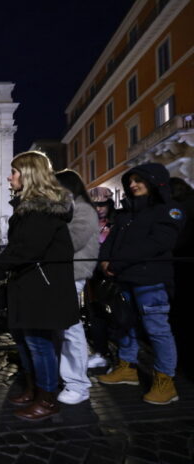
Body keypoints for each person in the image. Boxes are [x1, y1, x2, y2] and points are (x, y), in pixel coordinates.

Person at [0, 151, 79, 421]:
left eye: (14, 172)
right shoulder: (30, 209)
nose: (9, 177)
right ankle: (33, 390)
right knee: (28, 342)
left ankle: (48, 399)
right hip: (31, 285)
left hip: (42, 287)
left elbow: (26, 250)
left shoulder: (40, 211)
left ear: (28, 175)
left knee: (39, 344)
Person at [97, 163, 184, 405]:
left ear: (155, 181)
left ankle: (166, 382)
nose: (133, 185)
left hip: (152, 281)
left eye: (139, 180)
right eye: (131, 181)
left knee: (158, 331)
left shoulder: (169, 210)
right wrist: (104, 259)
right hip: (125, 279)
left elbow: (157, 244)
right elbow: (111, 240)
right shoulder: (127, 213)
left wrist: (116, 263)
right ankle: (127, 368)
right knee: (125, 325)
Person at [55, 170, 99, 405]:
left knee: (71, 328)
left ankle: (78, 383)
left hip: (74, 272)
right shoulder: (74, 209)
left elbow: (72, 241)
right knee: (67, 327)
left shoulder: (83, 210)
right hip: (68, 273)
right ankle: (73, 379)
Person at [85, 186, 117, 369]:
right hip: (93, 275)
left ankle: (123, 360)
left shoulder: (117, 221)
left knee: (119, 317)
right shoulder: (87, 223)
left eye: (102, 204)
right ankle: (101, 352)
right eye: (95, 205)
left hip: (112, 274)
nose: (98, 208)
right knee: (96, 315)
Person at [169, 177, 194, 377]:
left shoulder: (180, 209)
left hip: (182, 268)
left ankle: (183, 361)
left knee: (181, 316)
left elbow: (177, 239)